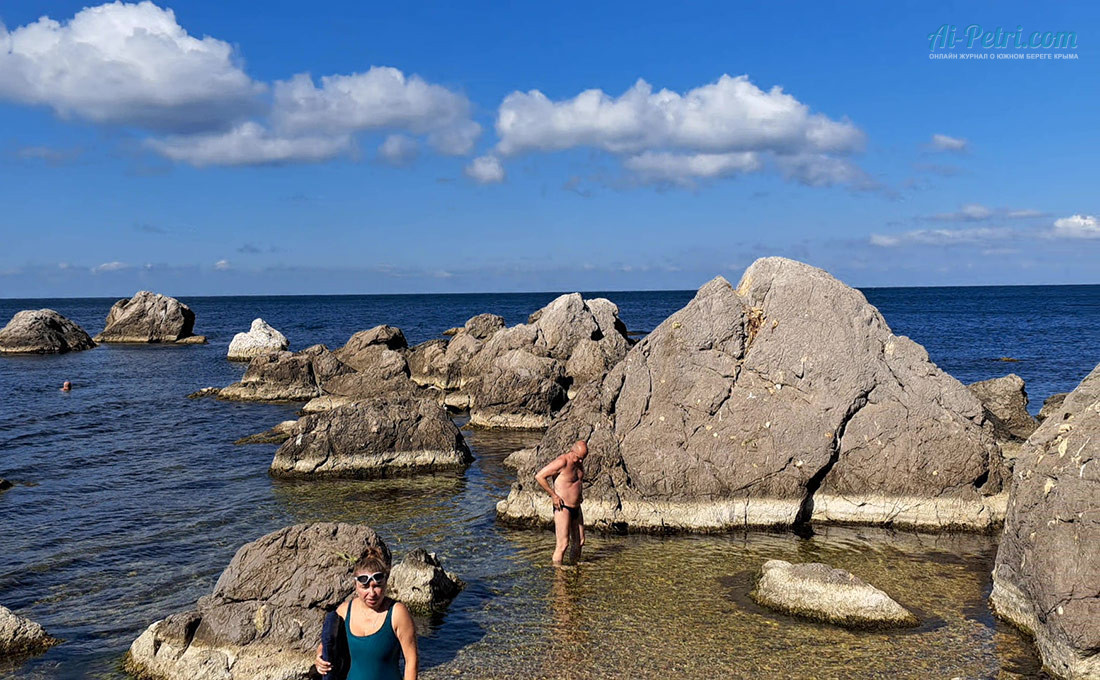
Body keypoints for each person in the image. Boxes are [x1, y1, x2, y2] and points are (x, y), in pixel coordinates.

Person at [315, 548, 418, 680]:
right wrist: (319, 657)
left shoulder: (397, 612)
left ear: (386, 583)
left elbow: (411, 661)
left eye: (377, 586)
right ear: (355, 585)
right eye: (365, 587)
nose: (372, 593)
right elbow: (326, 643)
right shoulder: (344, 611)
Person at [535, 440, 588, 565]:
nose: (581, 461)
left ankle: (574, 567)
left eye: (583, 459)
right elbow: (539, 476)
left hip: (576, 507)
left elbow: (576, 482)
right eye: (579, 458)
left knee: (580, 541)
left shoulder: (579, 464)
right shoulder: (562, 462)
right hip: (563, 507)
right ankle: (559, 575)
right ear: (572, 451)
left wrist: (580, 495)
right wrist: (553, 495)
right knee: (563, 544)